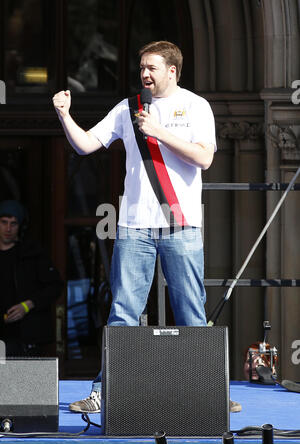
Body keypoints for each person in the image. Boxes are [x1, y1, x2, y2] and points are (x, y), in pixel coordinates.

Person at [53, 40, 241, 413]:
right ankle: (103, 392)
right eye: (141, 67)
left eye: (151, 68)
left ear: (172, 70)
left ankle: (208, 394)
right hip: (134, 225)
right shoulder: (129, 107)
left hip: (180, 223)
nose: (144, 74)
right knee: (122, 309)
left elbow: (204, 157)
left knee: (190, 311)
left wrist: (159, 132)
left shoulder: (196, 106)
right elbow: (87, 145)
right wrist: (64, 115)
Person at [0, 199, 63, 357]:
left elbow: (55, 286)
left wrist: (27, 305)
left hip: (25, 337)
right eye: (4, 222)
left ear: (20, 226)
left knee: (24, 380)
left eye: (13, 223)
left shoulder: (32, 254)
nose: (8, 228)